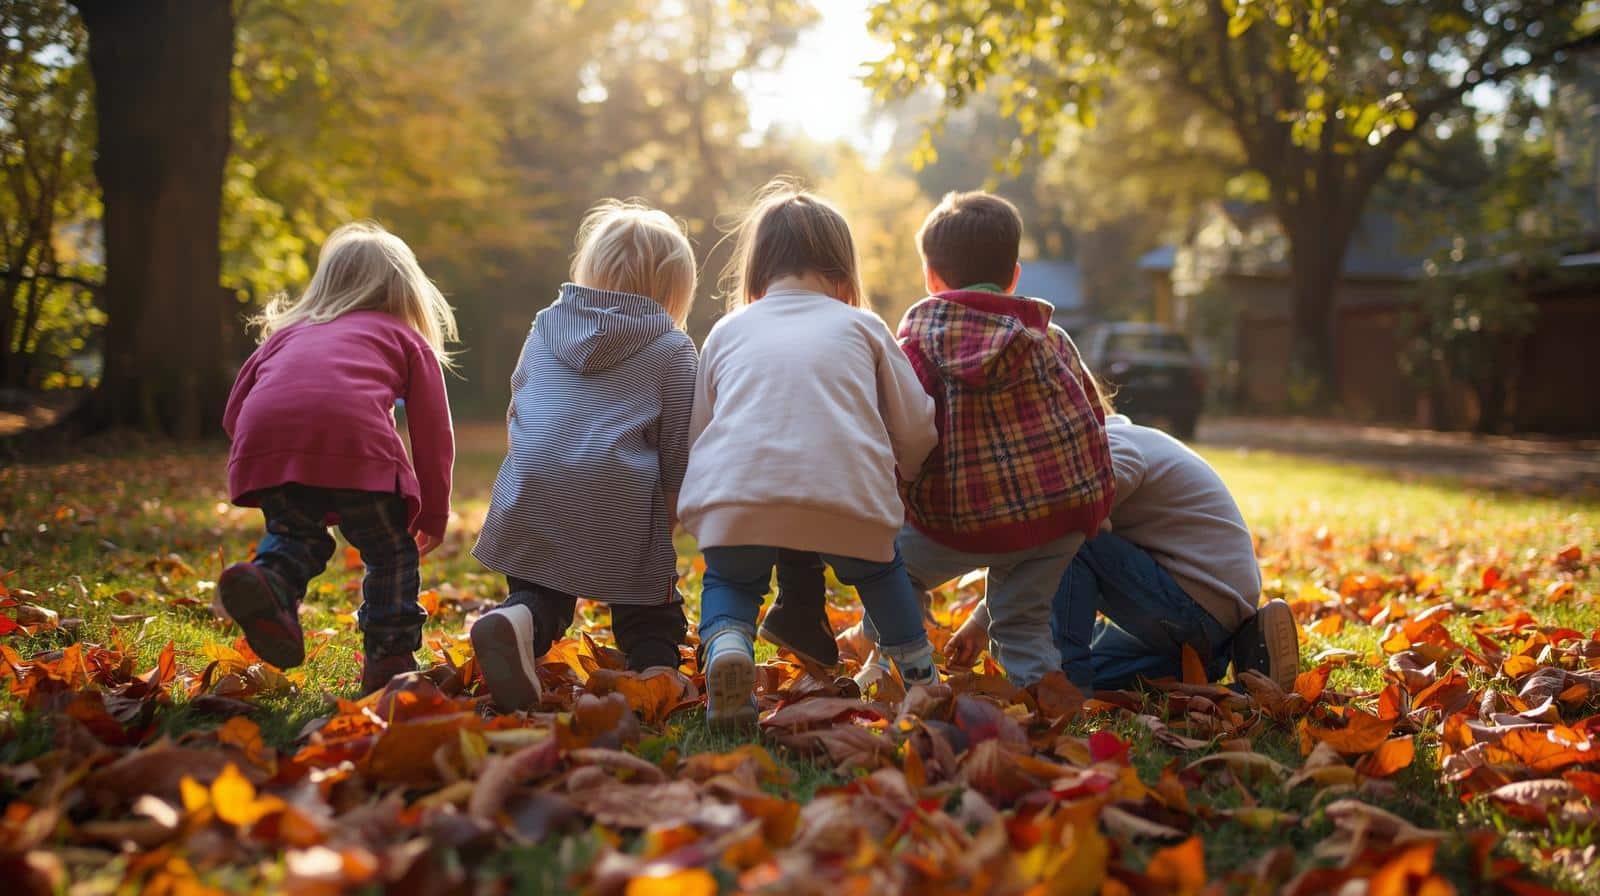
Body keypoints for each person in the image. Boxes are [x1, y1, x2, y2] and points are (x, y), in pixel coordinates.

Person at [759, 191, 1114, 688]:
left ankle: (890, 670)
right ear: (1014, 275)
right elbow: (1093, 419)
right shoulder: (1050, 339)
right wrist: (1095, 506)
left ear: (931, 277)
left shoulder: (918, 344)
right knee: (1023, 624)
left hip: (958, 519)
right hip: (1056, 519)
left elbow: (897, 432)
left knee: (891, 571)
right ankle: (1039, 704)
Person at [678, 180, 941, 729]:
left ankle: (729, 645)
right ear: (844, 271)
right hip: (846, 496)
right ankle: (919, 677)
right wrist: (911, 470)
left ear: (756, 270)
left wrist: (698, 503)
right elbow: (915, 423)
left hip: (738, 494)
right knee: (879, 573)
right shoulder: (863, 326)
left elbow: (701, 430)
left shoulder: (726, 331)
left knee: (731, 581)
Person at [470, 201, 699, 711]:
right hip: (617, 487)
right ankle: (655, 672)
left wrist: (529, 464)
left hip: (534, 479)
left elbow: (520, 400)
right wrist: (670, 503)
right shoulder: (672, 347)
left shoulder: (546, 327)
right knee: (649, 608)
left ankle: (520, 620)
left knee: (543, 592)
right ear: (674, 289)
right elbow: (678, 439)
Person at [219, 221, 456, 695]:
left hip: (270, 445)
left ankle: (272, 586)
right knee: (390, 553)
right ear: (405, 290)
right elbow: (433, 433)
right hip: (358, 445)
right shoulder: (405, 338)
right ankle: (390, 657)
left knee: (295, 532)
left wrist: (284, 458)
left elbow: (235, 412)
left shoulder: (285, 335)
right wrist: (433, 510)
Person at [945, 407, 1300, 692]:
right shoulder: (1135, 438)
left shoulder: (1112, 442)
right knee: (1103, 668)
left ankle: (1065, 679)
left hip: (1195, 603)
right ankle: (1218, 669)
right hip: (1208, 619)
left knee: (1074, 539)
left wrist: (983, 617)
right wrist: (983, 621)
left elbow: (1066, 534)